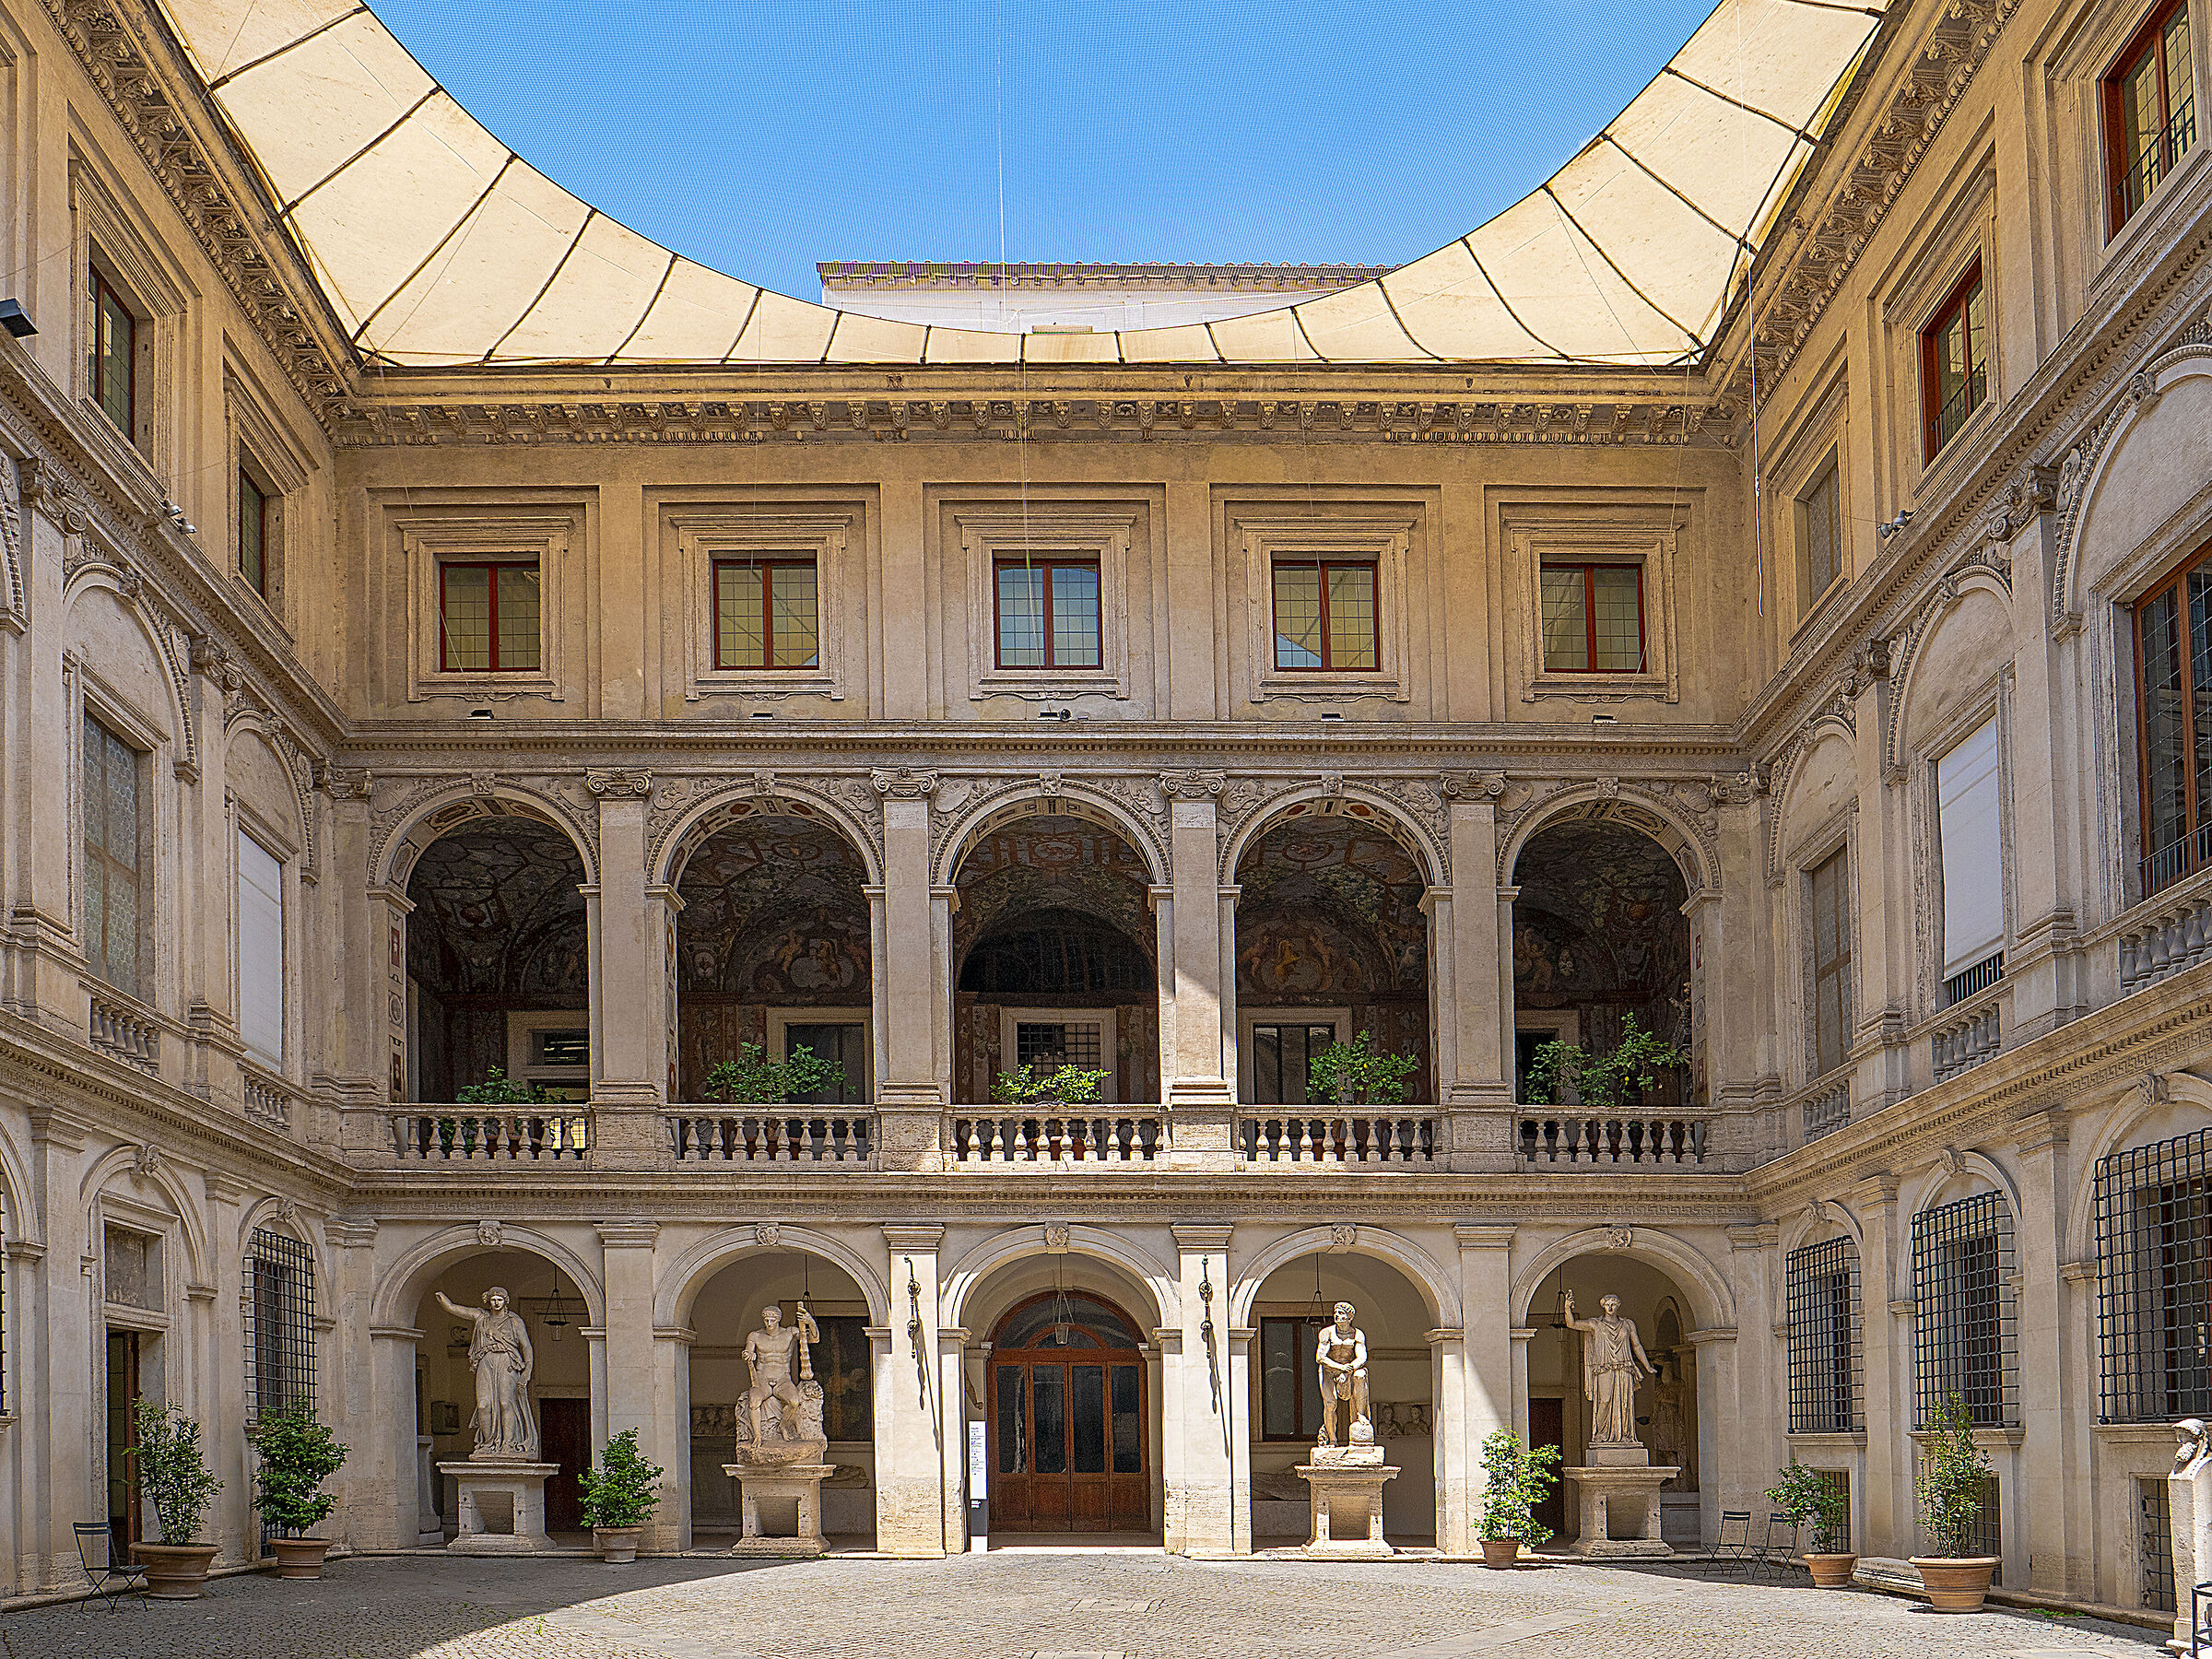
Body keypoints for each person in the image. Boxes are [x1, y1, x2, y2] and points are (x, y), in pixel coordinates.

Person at [434, 1286, 537, 1459]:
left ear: (506, 1301)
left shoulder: (514, 1321)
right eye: (493, 1299)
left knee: (506, 1403)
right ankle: (488, 1444)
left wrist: (527, 1372)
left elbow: (526, 1346)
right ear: (488, 1301)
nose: (496, 1302)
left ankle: (508, 1444)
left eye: (500, 1299)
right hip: (485, 1361)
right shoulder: (481, 1317)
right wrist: (445, 1302)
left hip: (507, 1361)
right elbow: (455, 1309)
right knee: (483, 1405)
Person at [1562, 1289, 1653, 1444]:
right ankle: (1602, 1435)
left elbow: (1637, 1345)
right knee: (1604, 1400)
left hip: (1624, 1368)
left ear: (1618, 1306)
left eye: (1613, 1304)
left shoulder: (1627, 1324)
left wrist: (1647, 1366)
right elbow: (1572, 1324)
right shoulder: (1595, 1324)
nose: (1610, 1308)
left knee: (1625, 1403)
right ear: (1603, 1306)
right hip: (1604, 1367)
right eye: (1607, 1305)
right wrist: (1567, 1308)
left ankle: (1625, 1436)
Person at [744, 1300, 821, 1447]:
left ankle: (783, 1425)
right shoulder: (755, 1336)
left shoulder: (790, 1333)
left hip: (782, 1378)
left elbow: (813, 1339)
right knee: (754, 1401)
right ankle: (758, 1437)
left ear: (778, 1319)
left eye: (772, 1320)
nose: (769, 1323)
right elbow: (748, 1351)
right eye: (766, 1320)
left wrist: (810, 1322)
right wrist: (749, 1355)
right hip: (762, 1377)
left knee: (794, 1402)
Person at [1313, 1301, 1371, 1447]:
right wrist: (1340, 1368)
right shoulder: (1327, 1333)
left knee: (1360, 1375)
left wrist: (1348, 1370)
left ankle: (1361, 1413)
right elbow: (1320, 1357)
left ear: (1350, 1317)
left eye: (1341, 1313)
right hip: (1329, 1370)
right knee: (1330, 1404)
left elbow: (1362, 1357)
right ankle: (1332, 1439)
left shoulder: (1357, 1334)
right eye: (1336, 1313)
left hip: (1349, 1370)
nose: (1337, 1316)